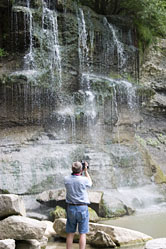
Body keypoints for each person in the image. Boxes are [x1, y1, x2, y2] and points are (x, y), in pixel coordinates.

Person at [64, 161, 92, 249]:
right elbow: (90, 183)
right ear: (82, 169)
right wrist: (86, 171)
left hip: (71, 207)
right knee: (82, 233)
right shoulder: (84, 180)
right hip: (82, 208)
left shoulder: (66, 179)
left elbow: (73, 177)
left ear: (72, 169)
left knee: (70, 233)